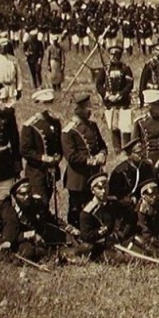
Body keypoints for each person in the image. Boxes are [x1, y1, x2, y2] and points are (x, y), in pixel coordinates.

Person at [61, 95, 108, 228]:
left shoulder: (92, 126)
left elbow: (102, 145)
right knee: (76, 208)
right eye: (87, 107)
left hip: (93, 175)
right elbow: (71, 157)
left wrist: (102, 154)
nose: (90, 110)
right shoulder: (69, 131)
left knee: (92, 205)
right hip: (78, 178)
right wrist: (91, 161)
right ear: (78, 110)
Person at [20, 88, 63, 212]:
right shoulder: (30, 126)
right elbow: (25, 150)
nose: (48, 106)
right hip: (36, 172)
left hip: (51, 171)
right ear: (37, 105)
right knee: (40, 203)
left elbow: (58, 146)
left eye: (50, 102)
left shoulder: (55, 123)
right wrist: (42, 158)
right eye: (45, 103)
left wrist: (57, 158)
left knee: (48, 200)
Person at [79, 173, 138, 260]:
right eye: (100, 188)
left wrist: (123, 232)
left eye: (106, 187)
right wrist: (104, 237)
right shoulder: (87, 212)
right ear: (93, 190)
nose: (104, 191)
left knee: (139, 245)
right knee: (128, 258)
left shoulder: (112, 203)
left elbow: (130, 214)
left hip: (117, 241)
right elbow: (86, 237)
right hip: (100, 249)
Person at [95, 45, 135, 153]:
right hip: (110, 103)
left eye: (116, 54)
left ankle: (127, 149)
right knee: (113, 127)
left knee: (125, 127)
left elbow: (129, 84)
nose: (113, 57)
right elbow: (98, 84)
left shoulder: (125, 68)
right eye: (111, 54)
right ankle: (117, 150)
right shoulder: (105, 69)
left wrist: (120, 95)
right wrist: (106, 94)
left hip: (123, 103)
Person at [109, 138, 158, 203]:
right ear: (130, 155)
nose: (141, 155)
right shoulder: (120, 171)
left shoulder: (146, 166)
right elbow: (114, 193)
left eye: (142, 151)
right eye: (137, 153)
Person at [0, 38, 22, 107]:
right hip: (0, 91)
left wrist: (19, 89)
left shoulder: (13, 60)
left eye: (6, 47)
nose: (4, 49)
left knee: (10, 111)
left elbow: (19, 76)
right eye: (2, 47)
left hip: (11, 90)